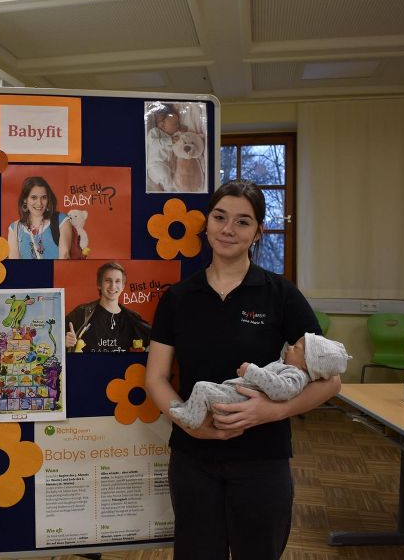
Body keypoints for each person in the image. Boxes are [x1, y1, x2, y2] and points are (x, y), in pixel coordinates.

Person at [144, 179, 340, 560]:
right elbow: (155, 377)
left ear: (257, 232)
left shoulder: (279, 294)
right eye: (220, 217)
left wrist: (273, 411)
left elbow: (331, 382)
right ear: (206, 223)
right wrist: (187, 422)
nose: (228, 229)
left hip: (262, 459)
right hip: (192, 458)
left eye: (243, 221)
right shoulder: (179, 298)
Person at [169, 332, 350, 429]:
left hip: (240, 400)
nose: (291, 347)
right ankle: (190, 410)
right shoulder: (288, 367)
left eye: (297, 348)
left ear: (308, 364)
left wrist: (252, 371)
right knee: (207, 389)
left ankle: (193, 419)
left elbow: (281, 390)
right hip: (236, 395)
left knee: (202, 388)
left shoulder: (296, 376)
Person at [64, 262, 152, 352]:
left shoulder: (133, 319)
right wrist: (63, 342)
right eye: (108, 280)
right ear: (99, 284)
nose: (113, 286)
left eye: (117, 281)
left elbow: (155, 343)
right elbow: (53, 339)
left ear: (123, 286)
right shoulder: (81, 312)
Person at [7, 176, 73, 259]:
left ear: (48, 199)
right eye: (34, 197)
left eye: (44, 197)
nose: (39, 203)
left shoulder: (62, 220)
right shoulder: (15, 228)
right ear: (25, 200)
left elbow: (65, 255)